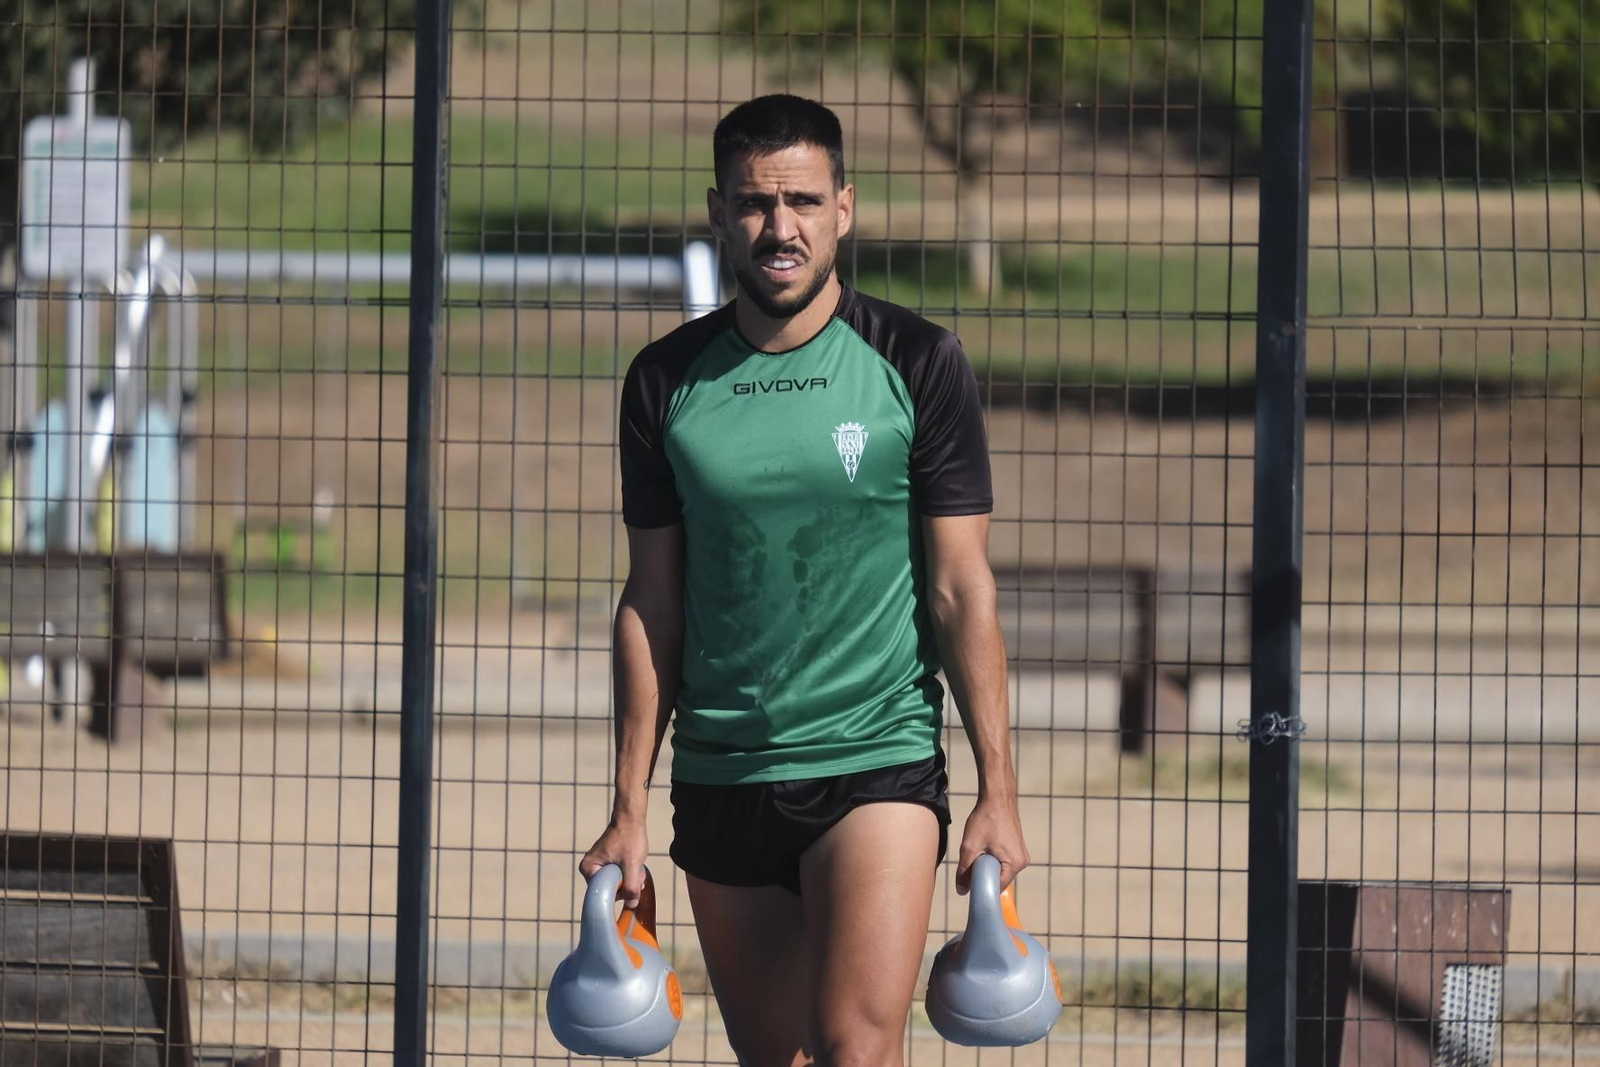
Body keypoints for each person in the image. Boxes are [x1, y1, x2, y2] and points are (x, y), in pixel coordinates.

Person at [580, 93, 1028, 1067]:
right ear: (717, 212)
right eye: (753, 203)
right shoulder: (664, 381)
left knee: (855, 1048)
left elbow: (960, 589)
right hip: (723, 774)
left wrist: (999, 786)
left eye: (802, 201)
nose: (779, 226)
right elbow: (651, 601)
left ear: (845, 208)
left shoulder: (917, 361)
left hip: (876, 760)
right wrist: (626, 803)